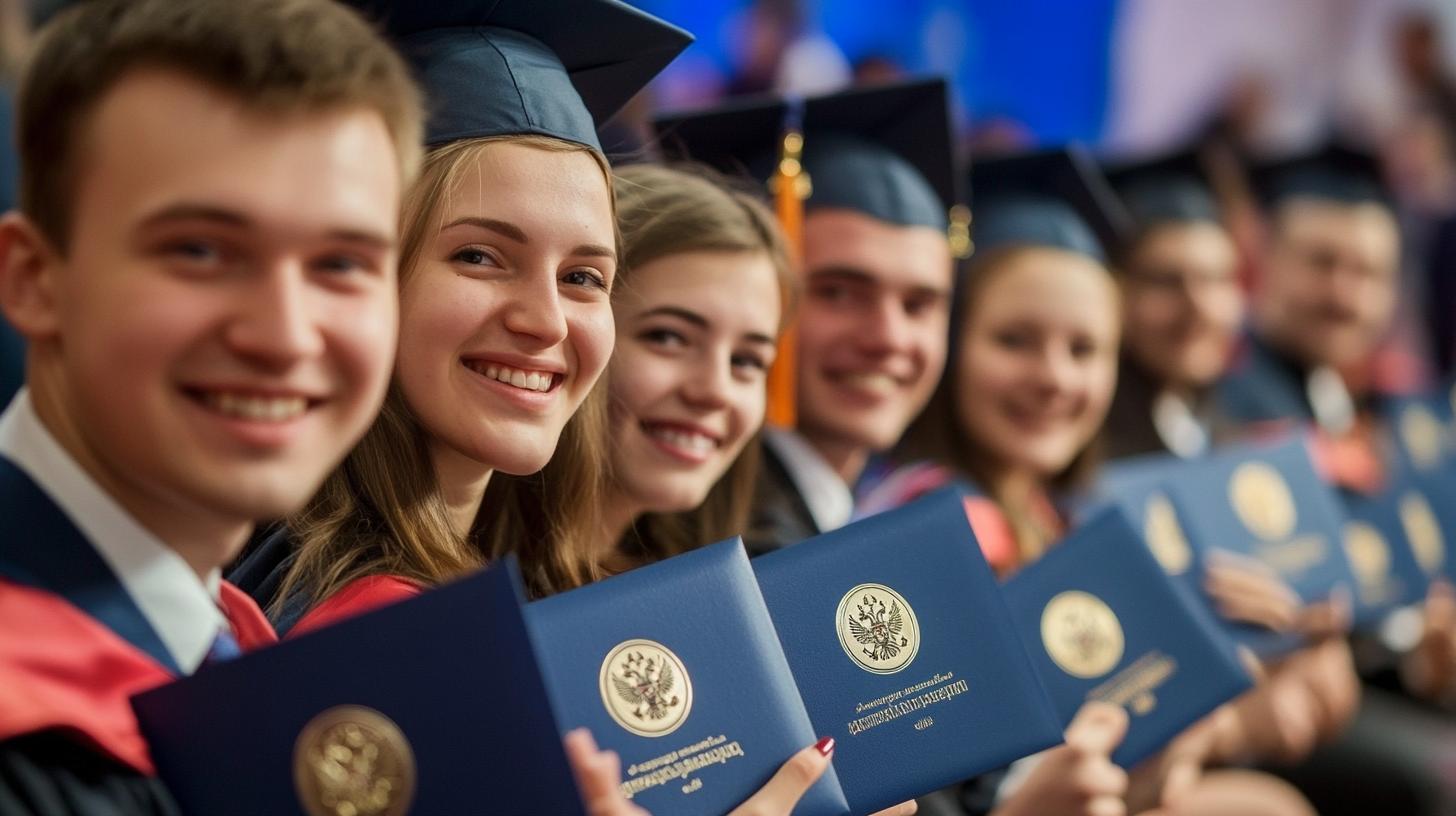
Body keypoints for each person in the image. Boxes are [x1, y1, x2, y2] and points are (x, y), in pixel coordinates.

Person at [0, 0, 423, 812]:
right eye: (199, 250)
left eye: (341, 263)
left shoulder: (218, 631)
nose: (285, 335)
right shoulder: (30, 737)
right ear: (33, 278)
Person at [873, 147, 1321, 816]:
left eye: (1084, 350)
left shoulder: (1059, 514)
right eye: (1015, 340)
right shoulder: (919, 525)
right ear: (951, 342)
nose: (1054, 378)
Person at [654, 78, 963, 554]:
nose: (889, 338)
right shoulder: (727, 544)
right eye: (837, 293)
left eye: (918, 305)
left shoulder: (851, 514)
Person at [592, 162, 794, 570]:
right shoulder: (459, 599)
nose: (715, 391)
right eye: (668, 337)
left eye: (746, 361)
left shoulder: (720, 599)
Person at [1099, 149, 1246, 462]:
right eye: (1166, 281)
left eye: (1215, 279)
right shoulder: (1090, 451)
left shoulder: (1234, 422)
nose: (1199, 307)